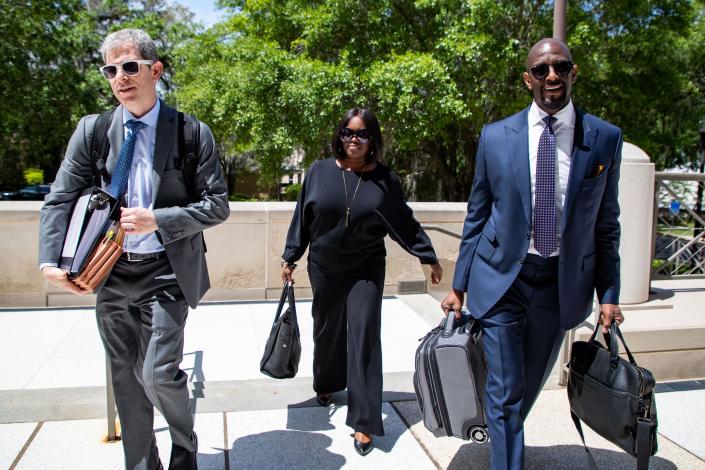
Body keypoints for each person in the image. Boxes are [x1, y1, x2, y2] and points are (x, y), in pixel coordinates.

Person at [38, 29, 230, 470]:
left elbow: (217, 205)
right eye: (111, 69)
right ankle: (143, 463)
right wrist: (50, 260)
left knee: (159, 374)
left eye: (129, 67)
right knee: (125, 376)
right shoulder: (94, 130)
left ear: (155, 71)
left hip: (166, 270)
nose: (120, 77)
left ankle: (185, 446)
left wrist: (158, 220)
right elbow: (61, 197)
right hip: (111, 271)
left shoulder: (189, 131)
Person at [441, 38, 625, 470]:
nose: (552, 76)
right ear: (528, 80)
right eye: (541, 70)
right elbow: (477, 215)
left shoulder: (604, 139)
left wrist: (610, 293)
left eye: (560, 67)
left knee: (524, 386)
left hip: (559, 284)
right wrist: (458, 285)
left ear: (573, 72)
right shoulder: (495, 137)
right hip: (501, 277)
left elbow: (606, 224)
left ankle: (505, 436)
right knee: (505, 390)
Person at [281, 107, 443, 456]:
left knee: (365, 334)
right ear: (339, 136)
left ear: (373, 140)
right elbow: (302, 218)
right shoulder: (319, 172)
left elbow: (404, 222)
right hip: (324, 266)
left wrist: (427, 255)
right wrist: (290, 256)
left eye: (362, 133)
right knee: (326, 329)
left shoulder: (385, 180)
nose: (354, 139)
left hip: (366, 268)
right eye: (347, 133)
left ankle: (365, 420)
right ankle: (326, 382)